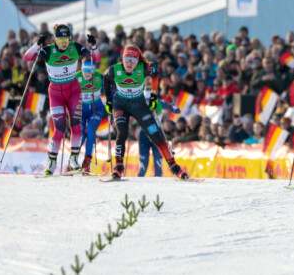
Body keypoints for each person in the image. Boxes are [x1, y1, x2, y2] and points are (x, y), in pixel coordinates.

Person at [102, 45, 189, 181]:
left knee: (156, 135)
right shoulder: (114, 70)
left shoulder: (143, 69)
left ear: (138, 61)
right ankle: (118, 167)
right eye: (127, 59)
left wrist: (154, 94)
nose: (129, 63)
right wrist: (109, 100)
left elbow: (155, 75)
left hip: (139, 105)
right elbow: (106, 80)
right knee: (122, 133)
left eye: (133, 59)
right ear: (122, 58)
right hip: (121, 106)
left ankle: (174, 168)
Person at [24, 24, 100, 175]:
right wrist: (37, 45)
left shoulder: (75, 47)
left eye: (66, 39)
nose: (64, 43)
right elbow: (27, 57)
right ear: (55, 39)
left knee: (76, 126)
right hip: (56, 94)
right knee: (59, 128)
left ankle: (73, 159)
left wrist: (94, 45)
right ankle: (51, 163)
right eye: (60, 39)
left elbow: (95, 58)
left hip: (73, 92)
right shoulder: (48, 50)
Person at [77, 59, 105, 173]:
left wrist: (113, 100)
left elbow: (111, 87)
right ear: (81, 69)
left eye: (90, 70)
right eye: (85, 70)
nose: (88, 73)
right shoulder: (76, 78)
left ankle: (87, 162)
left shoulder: (99, 77)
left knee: (91, 131)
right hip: (81, 110)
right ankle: (73, 160)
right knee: (81, 135)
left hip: (96, 109)